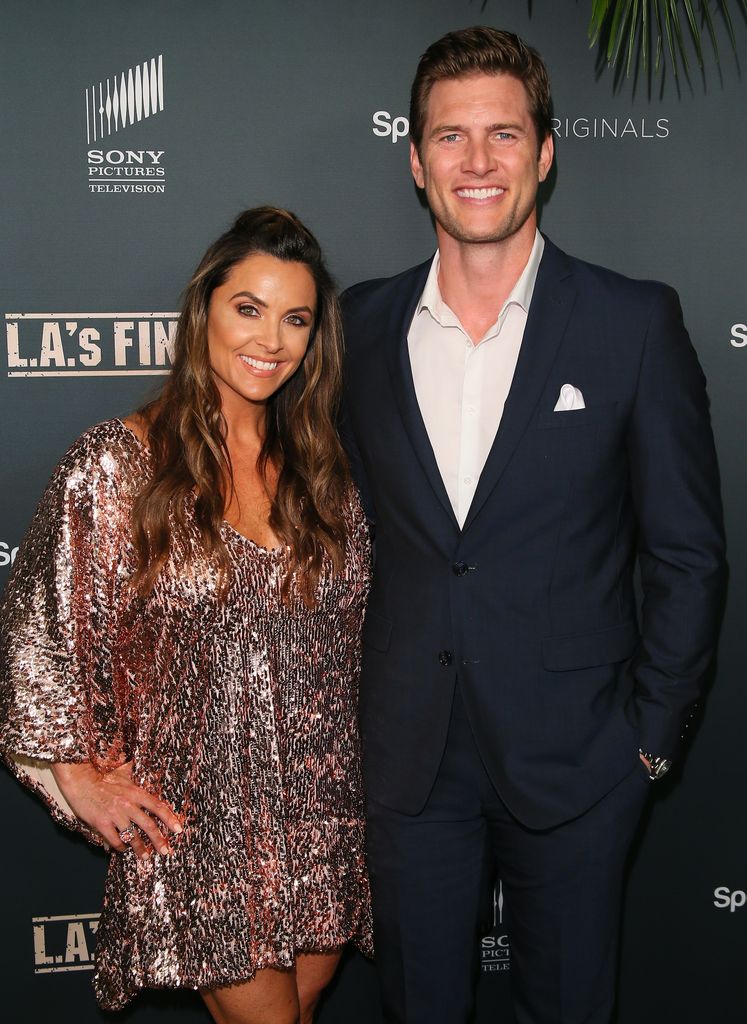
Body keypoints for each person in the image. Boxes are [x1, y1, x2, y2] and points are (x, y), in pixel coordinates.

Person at [341, 26, 726, 1024]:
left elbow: (686, 551)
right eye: (451, 136)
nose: (477, 161)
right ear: (415, 160)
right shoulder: (358, 327)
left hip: (581, 760)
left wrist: (648, 744)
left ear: (545, 153)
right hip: (407, 760)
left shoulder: (631, 321)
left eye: (503, 134)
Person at [0, 207, 372, 1023]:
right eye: (249, 308)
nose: (271, 339)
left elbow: (354, 645)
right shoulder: (118, 462)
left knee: (303, 1009)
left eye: (295, 318)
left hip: (322, 811)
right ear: (203, 309)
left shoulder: (324, 475)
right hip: (202, 824)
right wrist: (76, 776)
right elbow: (37, 633)